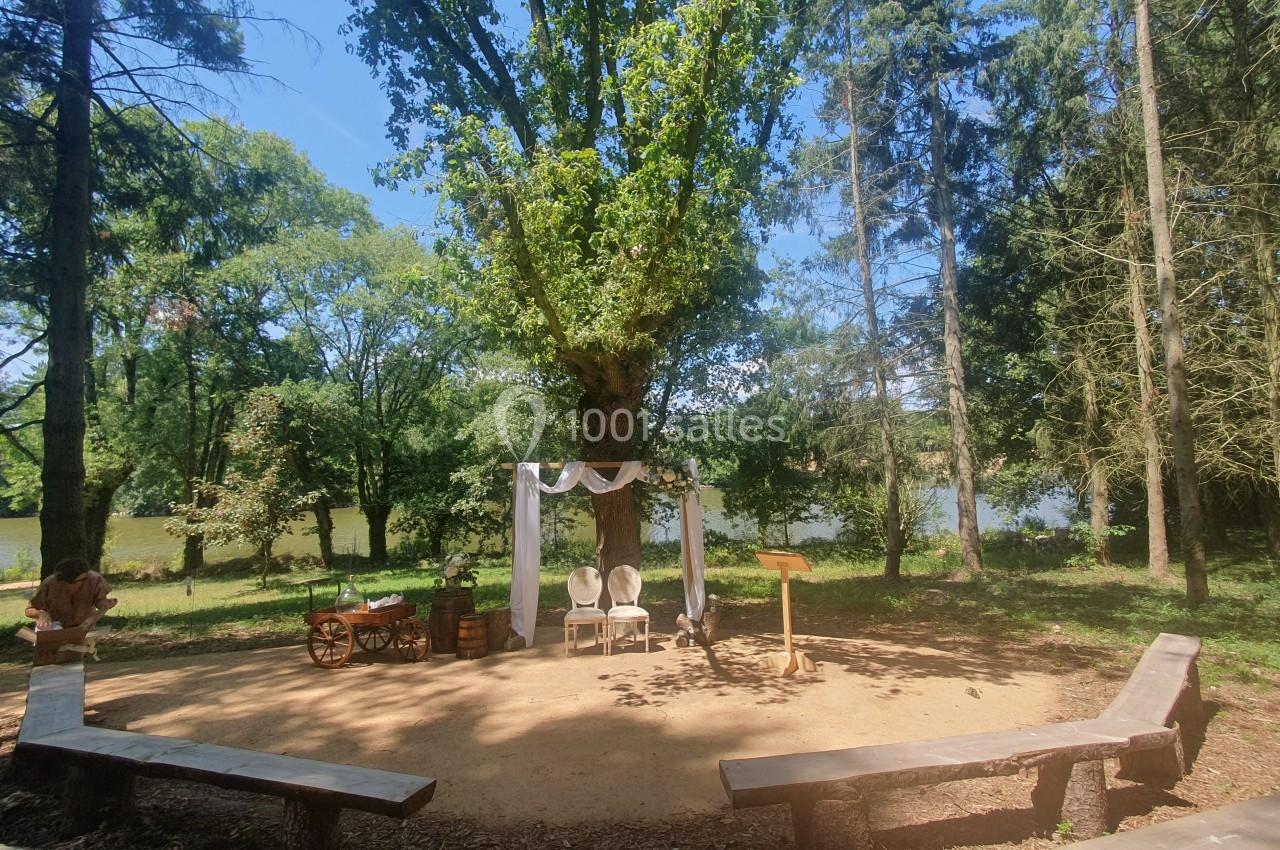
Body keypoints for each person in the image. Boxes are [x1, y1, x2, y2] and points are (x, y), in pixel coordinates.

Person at [25, 556, 118, 630]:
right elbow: (29, 610)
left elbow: (101, 602)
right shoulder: (49, 584)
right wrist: (40, 614)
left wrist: (103, 607)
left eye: (80, 581)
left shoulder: (94, 579)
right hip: (55, 630)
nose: (72, 586)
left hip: (83, 629)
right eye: (67, 582)